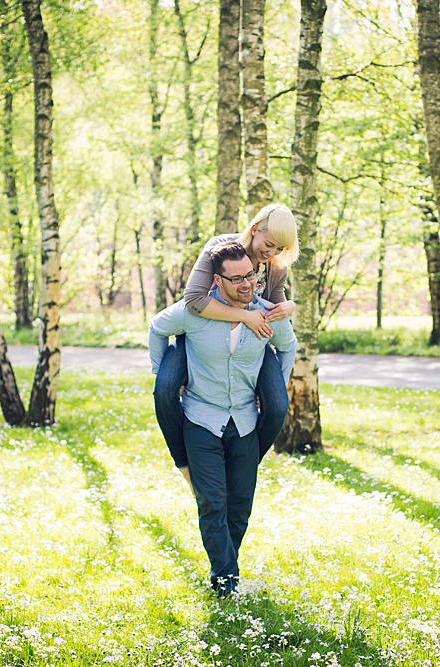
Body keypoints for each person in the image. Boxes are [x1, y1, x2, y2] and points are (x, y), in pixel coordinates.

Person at [148, 240, 297, 597]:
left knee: (239, 505)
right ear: (217, 281)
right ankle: (226, 580)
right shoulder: (194, 312)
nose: (247, 285)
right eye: (236, 279)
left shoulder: (267, 313)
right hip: (200, 418)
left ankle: (224, 569)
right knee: (212, 500)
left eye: (251, 276)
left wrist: (277, 382)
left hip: (246, 420)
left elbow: (288, 346)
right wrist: (163, 373)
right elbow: (157, 327)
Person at [153, 204, 300, 490]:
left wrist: (289, 305)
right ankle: (184, 463)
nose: (271, 253)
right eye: (268, 244)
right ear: (255, 228)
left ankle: (240, 471)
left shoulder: (275, 265)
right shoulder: (219, 247)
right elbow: (194, 300)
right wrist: (244, 314)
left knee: (279, 405)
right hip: (200, 334)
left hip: (251, 339)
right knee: (165, 388)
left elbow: (273, 303)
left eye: (279, 249)